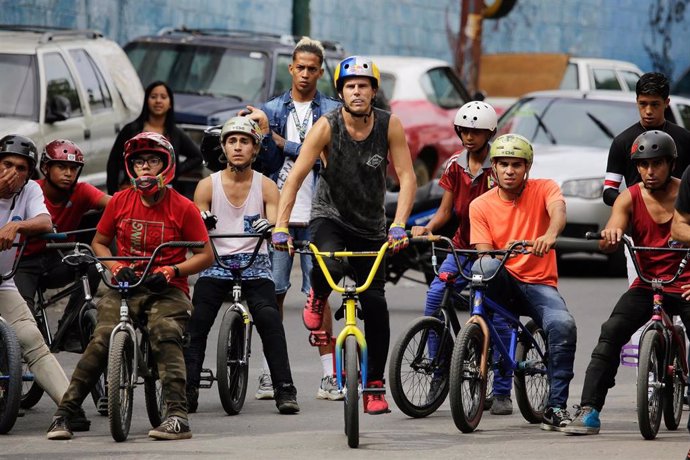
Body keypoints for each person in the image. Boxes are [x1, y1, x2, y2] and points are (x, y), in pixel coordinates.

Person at [272, 55, 417, 415]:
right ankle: (318, 296)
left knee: (376, 307)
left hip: (371, 226)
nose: (356, 91)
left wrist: (398, 223)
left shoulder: (389, 125)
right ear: (340, 91)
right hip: (330, 217)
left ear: (373, 92)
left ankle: (374, 387)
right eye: (350, 86)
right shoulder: (327, 125)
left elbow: (407, 176)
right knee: (330, 263)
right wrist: (280, 225)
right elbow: (296, 176)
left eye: (363, 86)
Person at [47, 132, 213, 441]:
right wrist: (115, 266)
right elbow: (99, 242)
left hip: (168, 289)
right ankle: (64, 414)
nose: (145, 168)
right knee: (100, 341)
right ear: (130, 167)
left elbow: (205, 255)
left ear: (167, 165)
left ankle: (177, 416)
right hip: (124, 286)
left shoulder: (183, 207)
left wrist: (170, 270)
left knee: (165, 333)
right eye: (139, 162)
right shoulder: (121, 200)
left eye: (152, 161)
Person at [565, 130, 690, 435]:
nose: (649, 171)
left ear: (671, 164)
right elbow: (614, 229)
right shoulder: (628, 197)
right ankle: (589, 409)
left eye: (657, 164)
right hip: (648, 284)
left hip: (684, 283)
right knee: (611, 332)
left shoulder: (686, 193)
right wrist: (611, 237)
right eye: (643, 165)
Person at [245, 37, 342, 401]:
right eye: (298, 67)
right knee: (275, 295)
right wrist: (257, 131)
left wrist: (280, 140)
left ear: (320, 71)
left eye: (311, 69)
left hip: (319, 214)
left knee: (318, 297)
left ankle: (329, 377)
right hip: (280, 217)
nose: (304, 74)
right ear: (291, 68)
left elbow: (325, 159)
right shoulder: (270, 109)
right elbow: (260, 159)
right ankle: (270, 375)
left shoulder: (333, 110)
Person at [184, 116, 300, 415]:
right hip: (216, 263)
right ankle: (188, 388)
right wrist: (201, 218)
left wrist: (271, 227)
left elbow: (276, 223)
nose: (238, 147)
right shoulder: (206, 185)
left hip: (255, 263)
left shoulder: (266, 186)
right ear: (223, 147)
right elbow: (197, 219)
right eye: (232, 141)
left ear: (255, 149)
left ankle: (285, 389)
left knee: (270, 320)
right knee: (197, 324)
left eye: (245, 141)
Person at [411, 101, 514, 415]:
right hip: (461, 248)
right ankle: (439, 371)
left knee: (499, 317)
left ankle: (501, 390)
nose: (469, 136)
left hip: (494, 251)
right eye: (465, 130)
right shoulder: (455, 165)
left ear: (489, 133)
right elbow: (446, 211)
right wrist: (425, 228)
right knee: (435, 297)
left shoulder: (501, 164)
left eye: (477, 131)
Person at [469, 133, 577, 431]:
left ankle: (556, 407)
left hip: (539, 283)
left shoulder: (545, 188)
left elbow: (558, 211)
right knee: (483, 266)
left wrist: (550, 234)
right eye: (503, 164)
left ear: (527, 167)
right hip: (502, 280)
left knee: (562, 325)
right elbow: (483, 253)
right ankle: (473, 347)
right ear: (493, 167)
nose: (509, 170)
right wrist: (495, 256)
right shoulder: (479, 205)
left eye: (516, 164)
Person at [0, 135, 90, 429]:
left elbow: (45, 222)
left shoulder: (28, 192)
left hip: (3, 283)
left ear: (30, 173)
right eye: (7, 164)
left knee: (31, 339)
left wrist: (16, 224)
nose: (13, 173)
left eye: (22, 168)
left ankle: (69, 407)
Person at [14, 139, 109, 352]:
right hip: (23, 262)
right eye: (62, 167)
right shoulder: (30, 190)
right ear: (46, 168)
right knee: (22, 323)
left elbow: (116, 204)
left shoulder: (82, 191)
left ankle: (71, 330)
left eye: (74, 168)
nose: (68, 173)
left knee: (92, 266)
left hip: (57, 259)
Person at [603, 72, 690, 207]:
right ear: (636, 101)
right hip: (637, 224)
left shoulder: (685, 139)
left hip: (677, 220)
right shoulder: (622, 142)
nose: (648, 111)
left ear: (666, 103)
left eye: (655, 104)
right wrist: (636, 205)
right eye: (643, 104)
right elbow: (609, 192)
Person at [106, 81, 203, 196]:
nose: (158, 101)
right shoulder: (131, 130)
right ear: (146, 101)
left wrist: (174, 170)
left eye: (163, 97)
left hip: (165, 194)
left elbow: (197, 156)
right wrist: (113, 194)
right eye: (153, 97)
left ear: (170, 103)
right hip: (133, 192)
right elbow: (113, 163)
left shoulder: (175, 133)